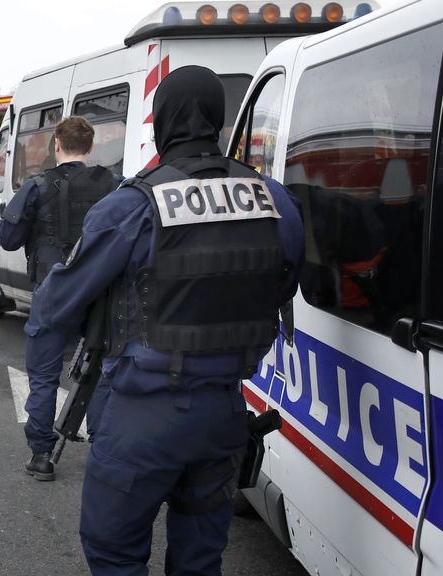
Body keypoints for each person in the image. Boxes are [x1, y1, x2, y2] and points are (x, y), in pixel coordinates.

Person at [21, 66, 304, 573]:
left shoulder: (131, 204)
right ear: (219, 121)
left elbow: (54, 305)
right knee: (200, 560)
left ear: (160, 124)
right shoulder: (273, 198)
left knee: (115, 552)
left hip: (142, 414)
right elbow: (281, 284)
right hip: (223, 413)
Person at [0, 116, 122, 288]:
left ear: (56, 145)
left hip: (51, 284)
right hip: (99, 283)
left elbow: (8, 240)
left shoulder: (36, 186)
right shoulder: (114, 183)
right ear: (91, 147)